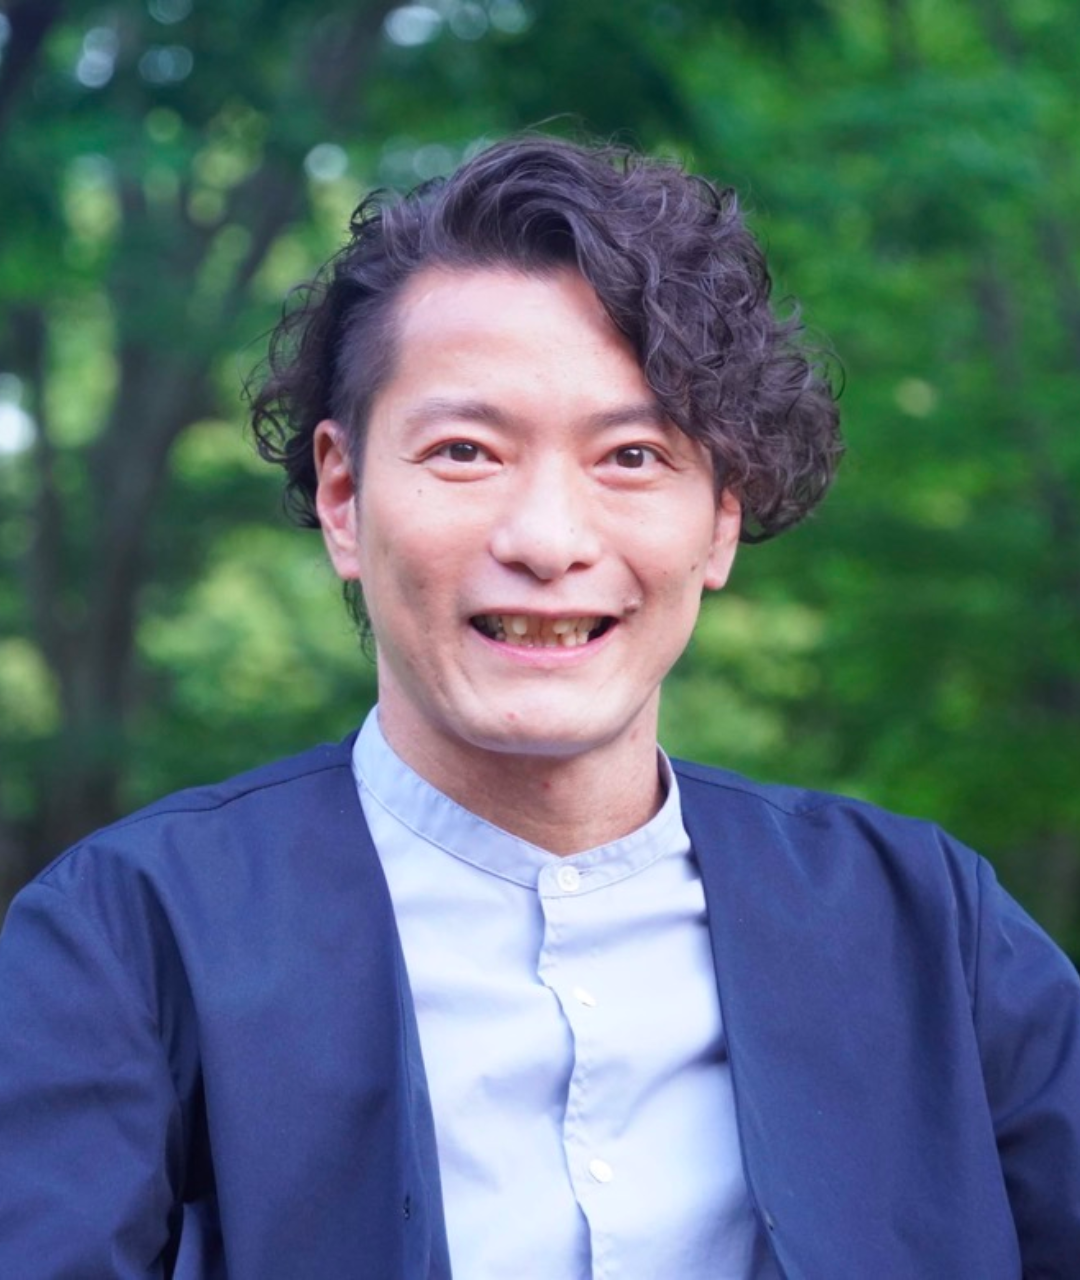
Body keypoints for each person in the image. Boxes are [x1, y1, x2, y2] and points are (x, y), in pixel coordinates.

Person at [0, 135, 1077, 1280]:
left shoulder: (932, 927)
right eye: (466, 451)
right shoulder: (128, 935)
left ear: (722, 519)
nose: (549, 541)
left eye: (632, 455)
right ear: (345, 496)